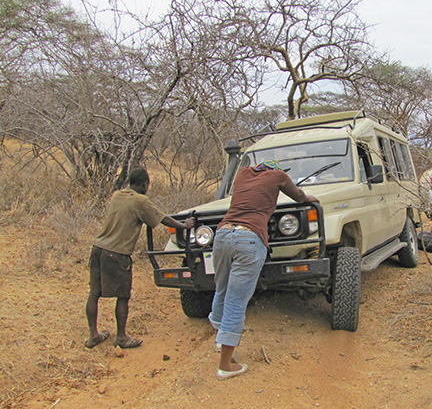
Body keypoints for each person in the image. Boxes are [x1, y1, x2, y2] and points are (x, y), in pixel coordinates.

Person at [209, 160, 318, 380]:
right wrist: (308, 198)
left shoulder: (242, 173)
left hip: (222, 235)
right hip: (249, 238)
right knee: (236, 300)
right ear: (274, 169)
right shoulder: (278, 176)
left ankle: (221, 342)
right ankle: (225, 366)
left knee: (221, 289)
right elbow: (298, 196)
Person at [85, 167, 194, 349]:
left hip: (98, 248)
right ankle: (121, 337)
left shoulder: (117, 195)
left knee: (94, 293)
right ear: (145, 184)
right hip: (117, 253)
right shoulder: (141, 201)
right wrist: (184, 225)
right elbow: (162, 219)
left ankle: (93, 336)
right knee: (123, 296)